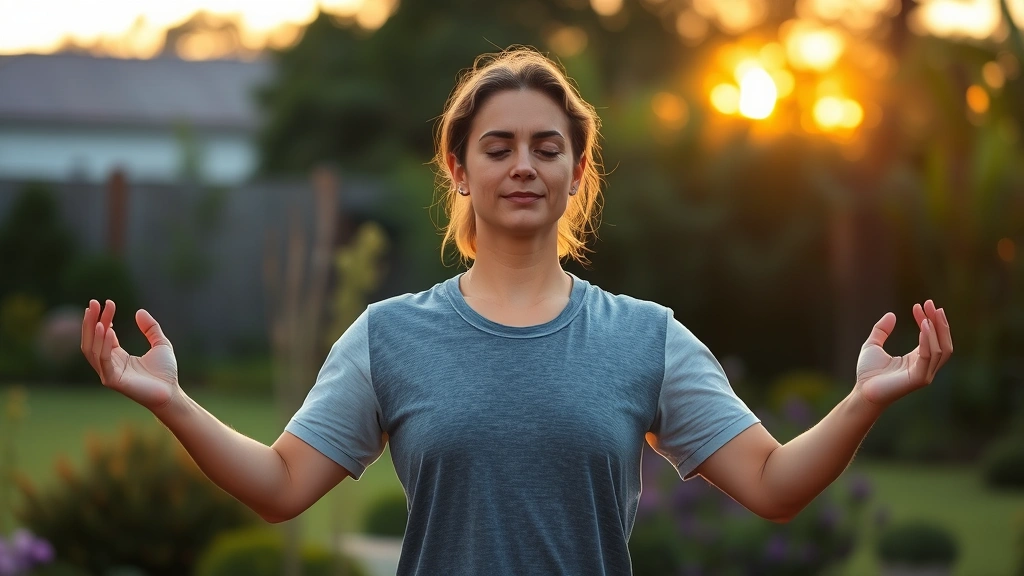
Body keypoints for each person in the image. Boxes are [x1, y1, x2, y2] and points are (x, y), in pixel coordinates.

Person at [79, 47, 953, 575]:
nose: (523, 164)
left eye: (548, 146)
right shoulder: (388, 335)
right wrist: (169, 400)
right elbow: (278, 488)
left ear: (578, 170)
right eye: (497, 147)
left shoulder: (645, 336)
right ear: (458, 168)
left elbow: (773, 486)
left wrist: (866, 399)